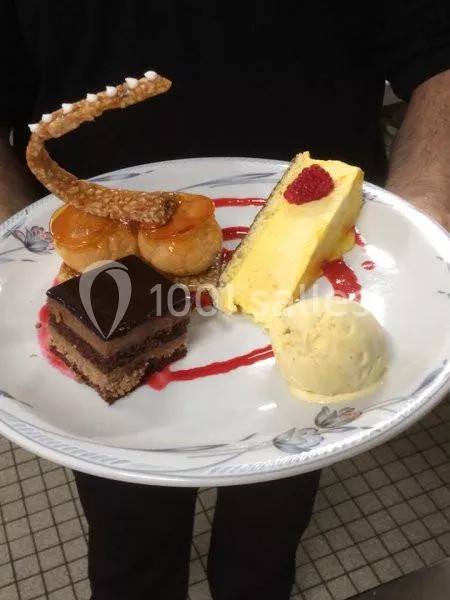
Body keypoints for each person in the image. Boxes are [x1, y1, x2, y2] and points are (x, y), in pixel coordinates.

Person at [1, 2, 449, 599]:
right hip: (91, 269)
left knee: (271, 521)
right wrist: (15, 255)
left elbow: (438, 50)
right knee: (131, 534)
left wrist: (423, 226)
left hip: (323, 276)